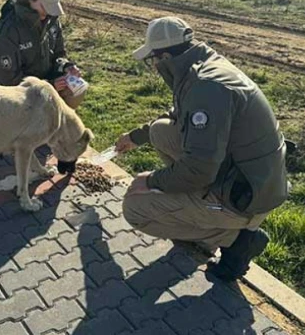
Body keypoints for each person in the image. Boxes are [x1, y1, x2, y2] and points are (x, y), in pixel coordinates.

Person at [115, 16, 290, 281]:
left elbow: (200, 168)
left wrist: (150, 181)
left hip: (246, 196)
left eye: (153, 59)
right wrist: (135, 137)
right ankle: (200, 205)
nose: (154, 66)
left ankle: (236, 240)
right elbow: (179, 116)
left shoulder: (206, 86)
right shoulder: (202, 66)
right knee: (159, 131)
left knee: (135, 208)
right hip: (247, 174)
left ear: (164, 57)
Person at [0, 0, 86, 109]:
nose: (48, 13)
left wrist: (66, 67)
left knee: (76, 91)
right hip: (17, 100)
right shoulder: (9, 31)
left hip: (45, 87)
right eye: (45, 6)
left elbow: (59, 54)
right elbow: (8, 82)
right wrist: (48, 86)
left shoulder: (52, 21)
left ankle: (58, 119)